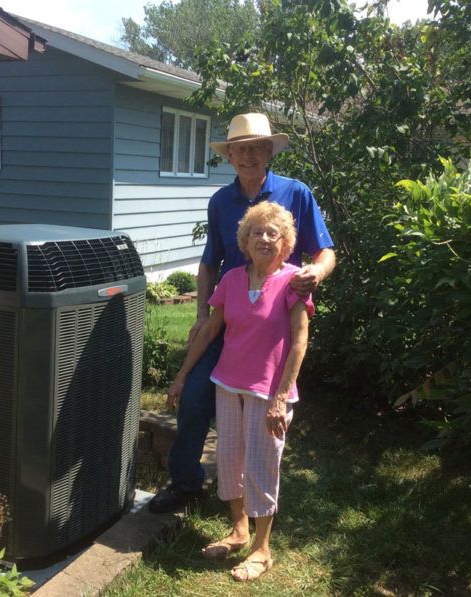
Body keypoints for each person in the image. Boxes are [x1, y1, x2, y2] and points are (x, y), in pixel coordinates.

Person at [148, 112, 336, 514]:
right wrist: (201, 312)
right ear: (230, 157)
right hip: (228, 316)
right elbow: (208, 263)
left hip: (273, 323)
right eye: (239, 150)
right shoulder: (221, 201)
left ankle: (254, 490)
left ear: (269, 152)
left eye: (255, 148)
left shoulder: (296, 193)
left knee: (263, 406)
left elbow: (326, 251)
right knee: (196, 394)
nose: (248, 156)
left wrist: (315, 272)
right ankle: (185, 483)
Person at [167, 202, 312, 581]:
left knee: (263, 466)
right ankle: (239, 529)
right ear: (244, 241)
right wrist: (182, 375)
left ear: (285, 242)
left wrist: (281, 397)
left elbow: (299, 343)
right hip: (228, 385)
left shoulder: (293, 281)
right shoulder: (231, 279)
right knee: (230, 460)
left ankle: (263, 550)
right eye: (256, 233)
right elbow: (210, 331)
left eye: (272, 233)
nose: (264, 239)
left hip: (269, 392)